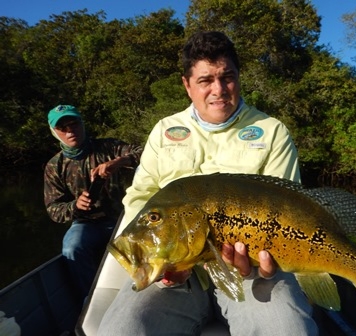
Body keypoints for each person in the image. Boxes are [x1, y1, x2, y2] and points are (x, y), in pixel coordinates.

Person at [98, 31, 318, 335]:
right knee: (120, 330)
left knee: (288, 330)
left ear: (239, 78)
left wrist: (270, 259)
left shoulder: (271, 131)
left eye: (227, 77)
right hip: (176, 274)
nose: (219, 89)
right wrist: (155, 259)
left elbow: (286, 210)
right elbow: (140, 197)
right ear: (187, 85)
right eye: (205, 80)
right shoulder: (164, 131)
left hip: (251, 270)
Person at [44, 105, 142, 301]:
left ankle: (139, 295)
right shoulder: (54, 166)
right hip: (86, 223)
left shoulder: (108, 148)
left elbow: (145, 152)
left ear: (82, 124)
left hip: (122, 219)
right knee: (71, 248)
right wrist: (75, 206)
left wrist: (118, 162)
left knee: (144, 243)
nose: (70, 130)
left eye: (74, 124)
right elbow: (54, 210)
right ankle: (90, 301)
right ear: (55, 132)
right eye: (63, 128)